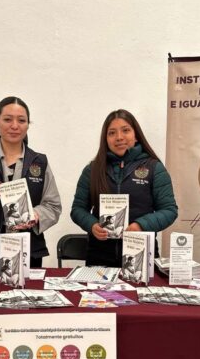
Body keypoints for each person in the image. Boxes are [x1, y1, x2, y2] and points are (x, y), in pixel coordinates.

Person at [0, 96, 62, 268]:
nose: (15, 126)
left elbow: (53, 206)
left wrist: (36, 215)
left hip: (28, 253)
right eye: (7, 119)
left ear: (28, 125)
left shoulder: (40, 162)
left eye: (21, 120)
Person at [70, 109, 178, 266]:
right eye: (112, 133)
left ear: (136, 135)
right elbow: (78, 209)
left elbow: (169, 210)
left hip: (140, 255)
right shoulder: (92, 170)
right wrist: (92, 225)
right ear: (105, 139)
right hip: (99, 256)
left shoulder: (154, 168)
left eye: (125, 130)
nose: (119, 137)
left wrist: (141, 225)